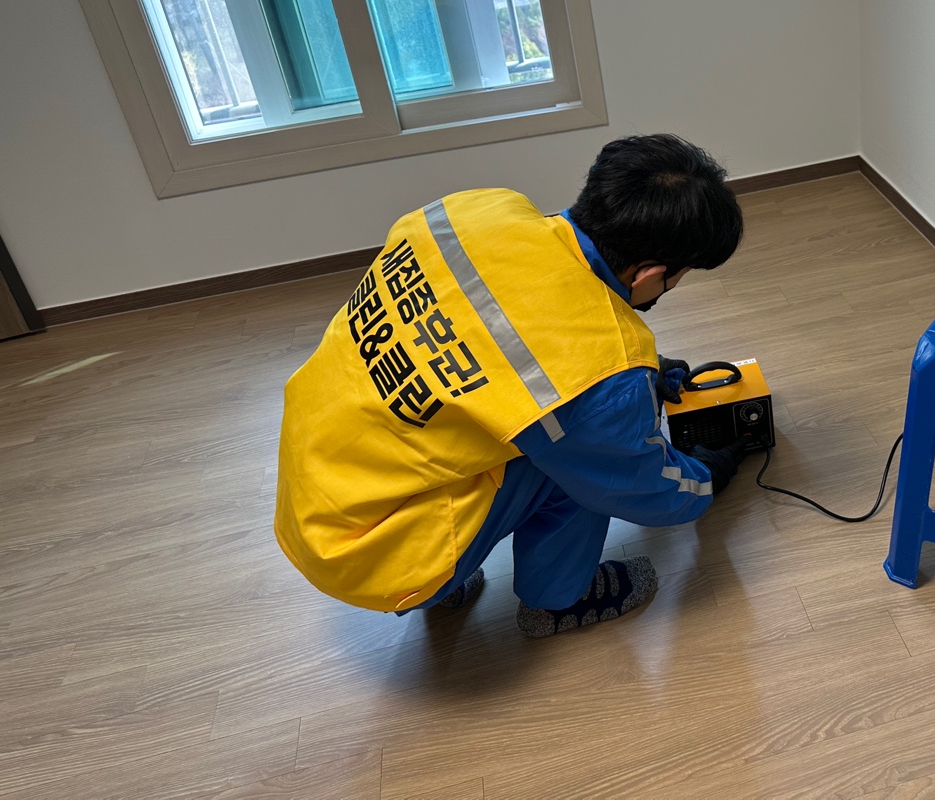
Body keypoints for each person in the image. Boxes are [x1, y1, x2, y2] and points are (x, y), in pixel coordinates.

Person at [274, 134, 749, 637]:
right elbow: (639, 484)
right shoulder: (597, 378)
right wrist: (705, 477)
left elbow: (496, 331)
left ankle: (444, 567)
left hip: (316, 492)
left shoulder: (479, 209)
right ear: (650, 273)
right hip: (375, 557)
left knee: (553, 425)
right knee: (583, 459)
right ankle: (558, 601)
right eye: (677, 277)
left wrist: (635, 377)